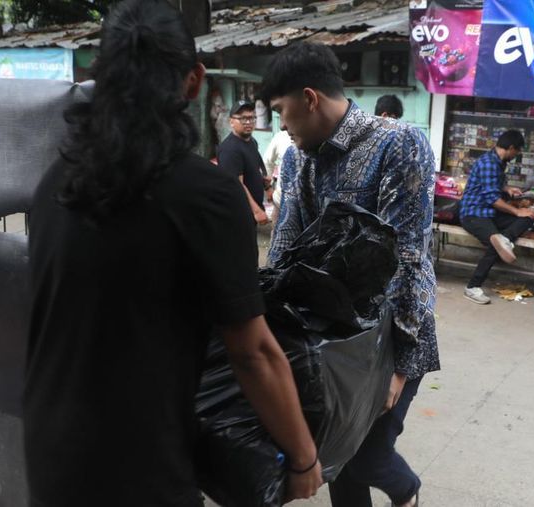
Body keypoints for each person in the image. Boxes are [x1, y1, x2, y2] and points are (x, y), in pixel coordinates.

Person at [24, 2, 323, 505]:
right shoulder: (205, 193)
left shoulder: (57, 180)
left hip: (48, 449)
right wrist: (303, 457)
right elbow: (252, 351)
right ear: (194, 81)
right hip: (140, 466)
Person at [262, 41, 437, 507]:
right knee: (337, 457)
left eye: (281, 110)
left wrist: (398, 364)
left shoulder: (400, 144)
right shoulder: (299, 157)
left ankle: (407, 492)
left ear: (309, 98)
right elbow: (285, 241)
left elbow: (409, 256)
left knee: (368, 457)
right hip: (329, 338)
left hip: (393, 335)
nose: (280, 125)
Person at [458, 130, 534, 305]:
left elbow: (492, 187)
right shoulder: (489, 163)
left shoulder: (498, 162)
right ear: (510, 148)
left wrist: (507, 189)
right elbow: (493, 199)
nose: (517, 155)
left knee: (529, 217)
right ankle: (472, 287)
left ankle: (505, 239)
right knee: (496, 244)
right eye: (517, 151)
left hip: (490, 214)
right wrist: (516, 211)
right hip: (473, 213)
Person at [217, 100, 271, 225]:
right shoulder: (229, 150)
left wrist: (267, 187)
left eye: (252, 118)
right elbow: (237, 185)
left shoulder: (251, 141)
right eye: (243, 118)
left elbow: (257, 166)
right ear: (231, 121)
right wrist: (257, 212)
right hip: (239, 213)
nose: (248, 122)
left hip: (250, 210)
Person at [263, 129, 293, 223]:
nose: (282, 126)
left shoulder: (315, 135)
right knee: (277, 233)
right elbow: (267, 162)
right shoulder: (281, 137)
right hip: (280, 201)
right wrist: (268, 187)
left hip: (307, 204)